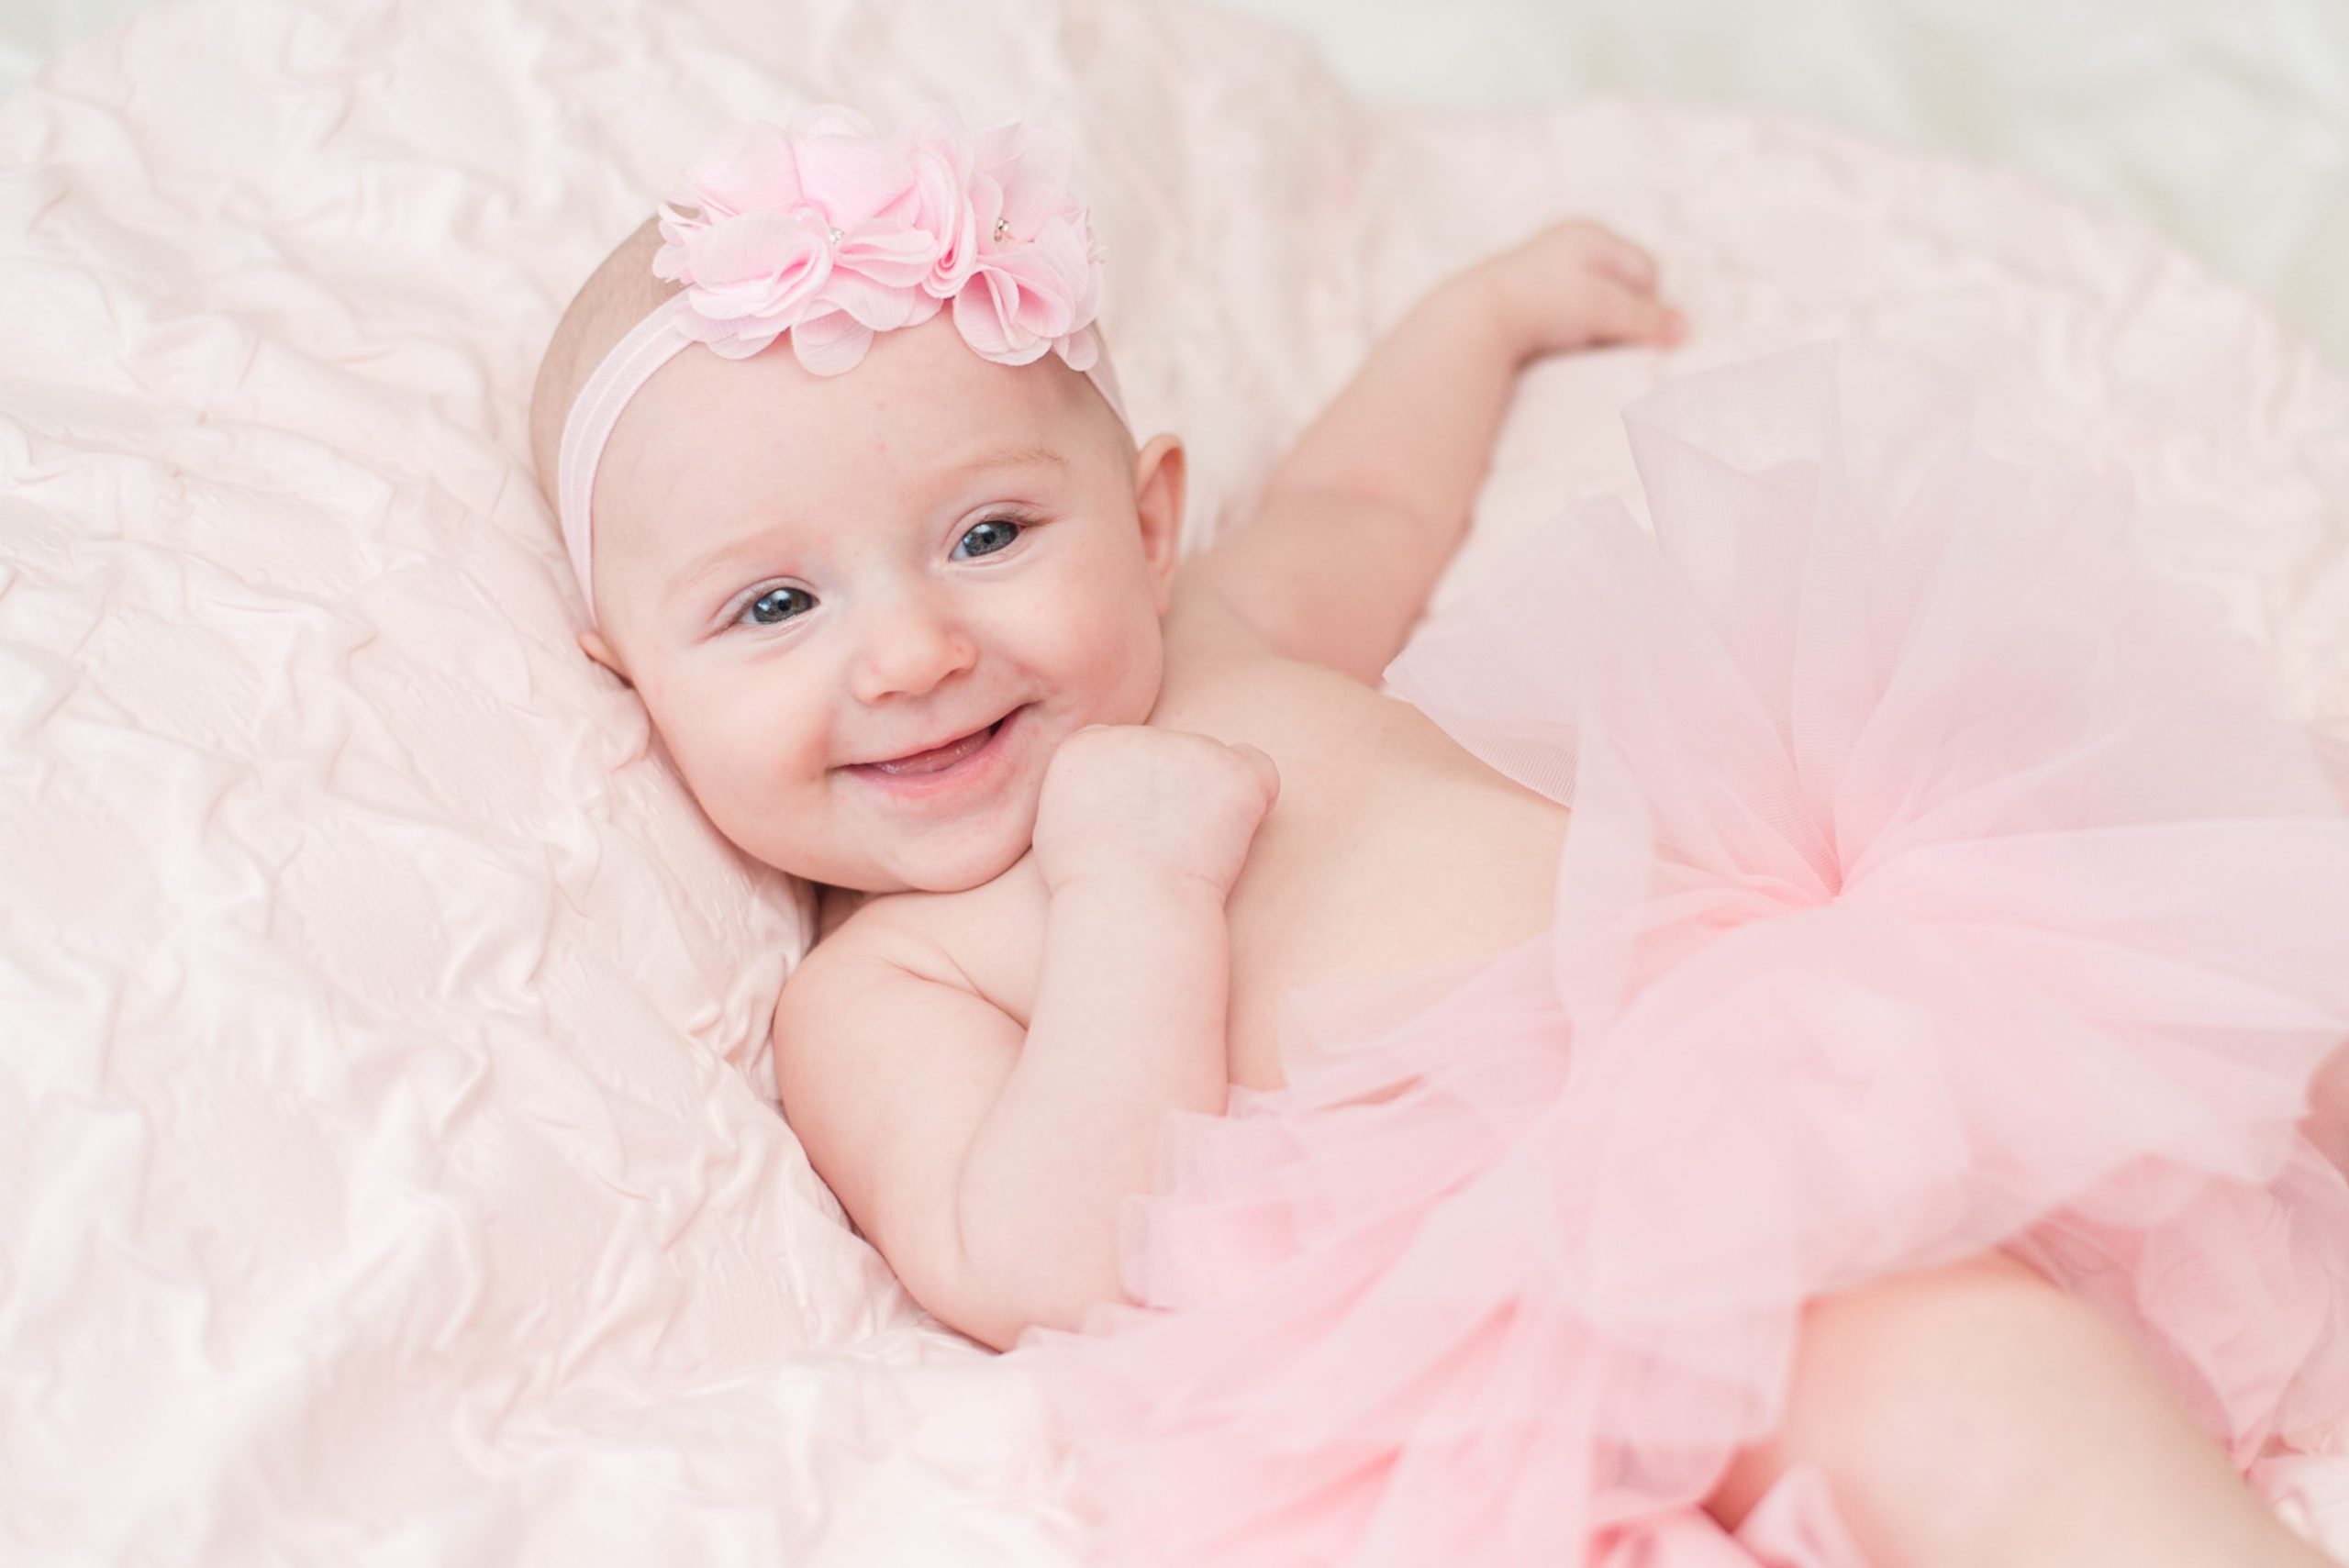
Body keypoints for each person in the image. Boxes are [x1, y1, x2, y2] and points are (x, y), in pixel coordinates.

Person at [528, 102, 2349, 1567]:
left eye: (989, 535)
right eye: (774, 610)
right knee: (1947, 1377)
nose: (914, 649)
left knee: (2249, 963)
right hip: (1570, 1217)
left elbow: (1359, 493)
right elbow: (1041, 1262)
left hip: (1807, 977)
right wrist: (1133, 897)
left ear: (1147, 524)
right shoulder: (885, 979)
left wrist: (1475, 319)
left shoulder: (1217, 639)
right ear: (632, 681)